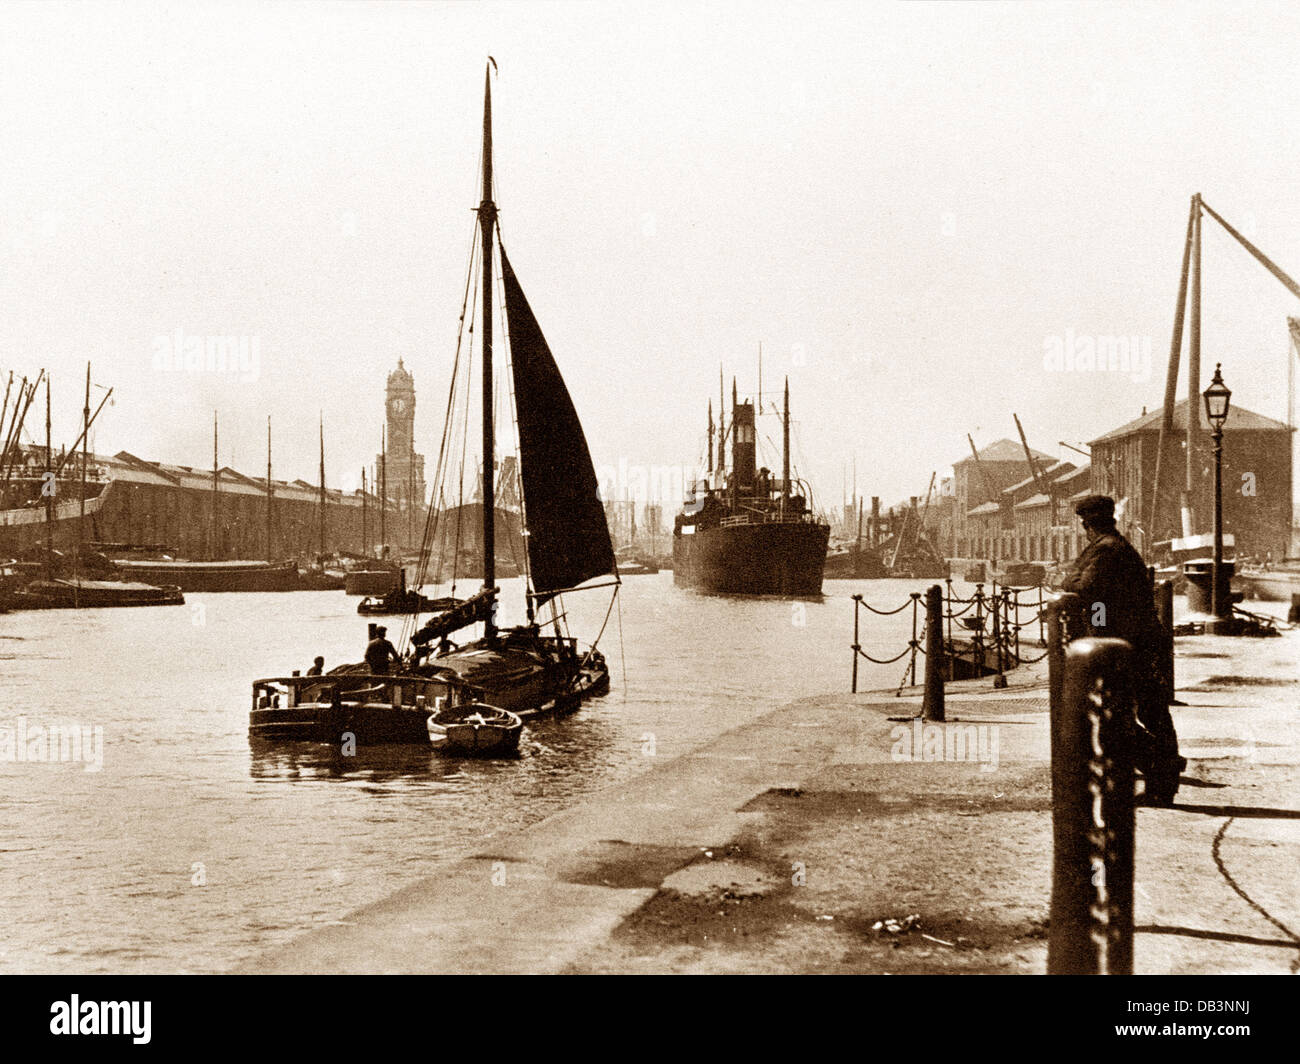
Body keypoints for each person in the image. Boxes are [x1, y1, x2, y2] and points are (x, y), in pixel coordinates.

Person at [1060, 494, 1186, 804]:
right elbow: (1096, 597)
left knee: (1121, 714)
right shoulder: (1113, 546)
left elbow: (1086, 588)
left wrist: (1098, 631)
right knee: (1149, 711)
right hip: (1136, 640)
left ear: (1087, 524)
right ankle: (1163, 774)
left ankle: (1162, 768)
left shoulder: (1106, 551)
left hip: (1130, 646)